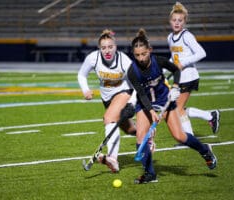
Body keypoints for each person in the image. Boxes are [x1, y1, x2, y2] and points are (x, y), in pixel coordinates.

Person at [127, 29, 217, 184]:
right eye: (137, 55)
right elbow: (141, 94)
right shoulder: (132, 71)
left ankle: (205, 151)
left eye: (144, 54)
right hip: (145, 104)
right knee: (141, 137)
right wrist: (151, 111)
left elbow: (176, 70)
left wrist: (175, 87)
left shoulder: (159, 61)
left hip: (165, 101)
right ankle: (150, 173)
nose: (141, 58)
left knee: (179, 136)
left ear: (150, 50)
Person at [77, 29, 137, 173]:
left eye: (110, 47)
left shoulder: (124, 60)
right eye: (103, 48)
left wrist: (132, 102)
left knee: (109, 118)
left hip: (124, 92)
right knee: (130, 130)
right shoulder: (93, 58)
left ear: (115, 47)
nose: (107, 50)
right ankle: (147, 135)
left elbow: (137, 84)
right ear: (99, 48)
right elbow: (81, 75)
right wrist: (85, 90)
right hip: (107, 99)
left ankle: (113, 159)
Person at [168, 2, 220, 135]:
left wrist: (183, 63)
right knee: (179, 108)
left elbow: (202, 53)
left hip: (189, 77)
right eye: (174, 20)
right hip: (179, 78)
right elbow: (174, 58)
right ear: (170, 21)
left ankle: (189, 138)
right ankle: (210, 116)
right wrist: (161, 70)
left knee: (178, 108)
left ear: (184, 22)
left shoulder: (187, 36)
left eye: (180, 20)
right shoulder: (170, 38)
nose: (177, 23)